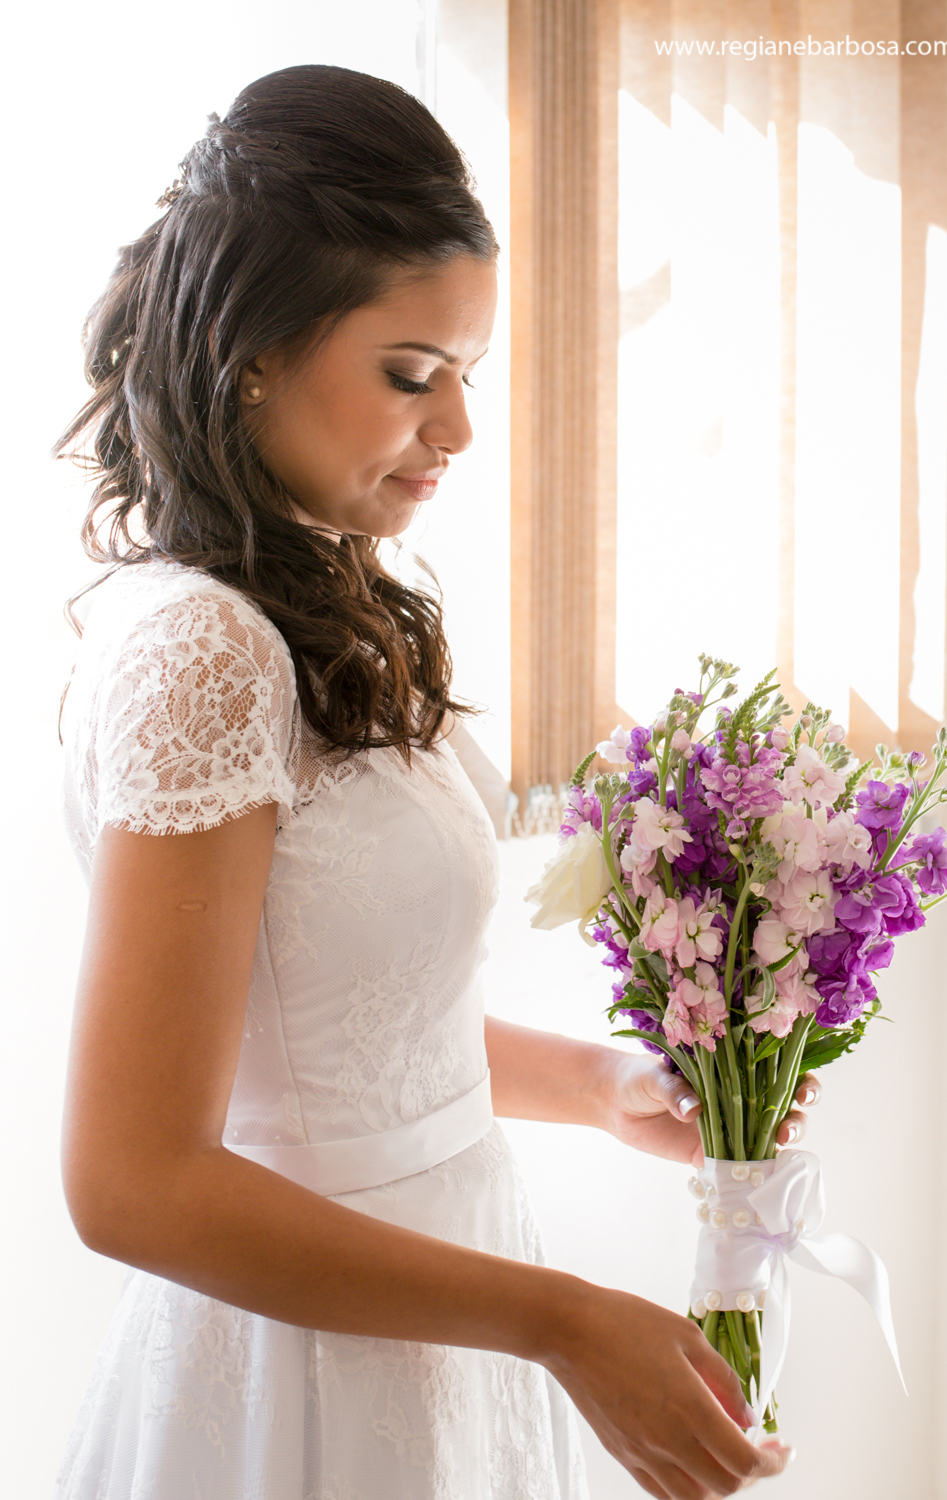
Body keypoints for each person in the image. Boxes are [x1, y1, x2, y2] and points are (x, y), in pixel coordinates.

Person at [54, 63, 813, 1500]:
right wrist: (562, 1323)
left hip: (445, 1305)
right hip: (304, 1370)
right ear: (252, 355)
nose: (458, 428)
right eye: (412, 375)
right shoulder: (207, 652)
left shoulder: (315, 602)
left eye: (470, 374)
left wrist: (601, 1086)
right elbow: (132, 1182)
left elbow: (340, 1033)